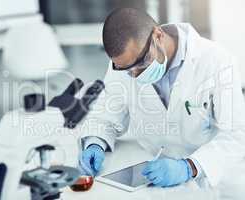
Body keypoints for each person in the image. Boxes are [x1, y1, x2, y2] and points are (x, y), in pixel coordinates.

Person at [78, 8, 245, 199]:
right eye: (126, 69)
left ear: (158, 35)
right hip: (150, 178)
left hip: (207, 179)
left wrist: (189, 167)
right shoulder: (125, 63)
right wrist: (95, 143)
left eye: (140, 63)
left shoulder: (216, 61)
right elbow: (106, 115)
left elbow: (237, 135)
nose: (134, 75)